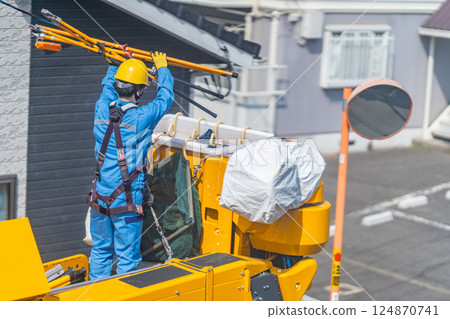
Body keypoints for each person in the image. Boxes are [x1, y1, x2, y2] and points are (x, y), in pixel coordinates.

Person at [87, 52, 174, 280]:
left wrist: (113, 64)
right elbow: (165, 98)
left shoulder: (101, 107)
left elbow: (107, 87)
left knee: (100, 250)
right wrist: (163, 70)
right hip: (126, 199)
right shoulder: (141, 117)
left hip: (100, 194)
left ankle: (95, 295)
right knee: (126, 258)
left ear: (118, 85)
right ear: (139, 90)